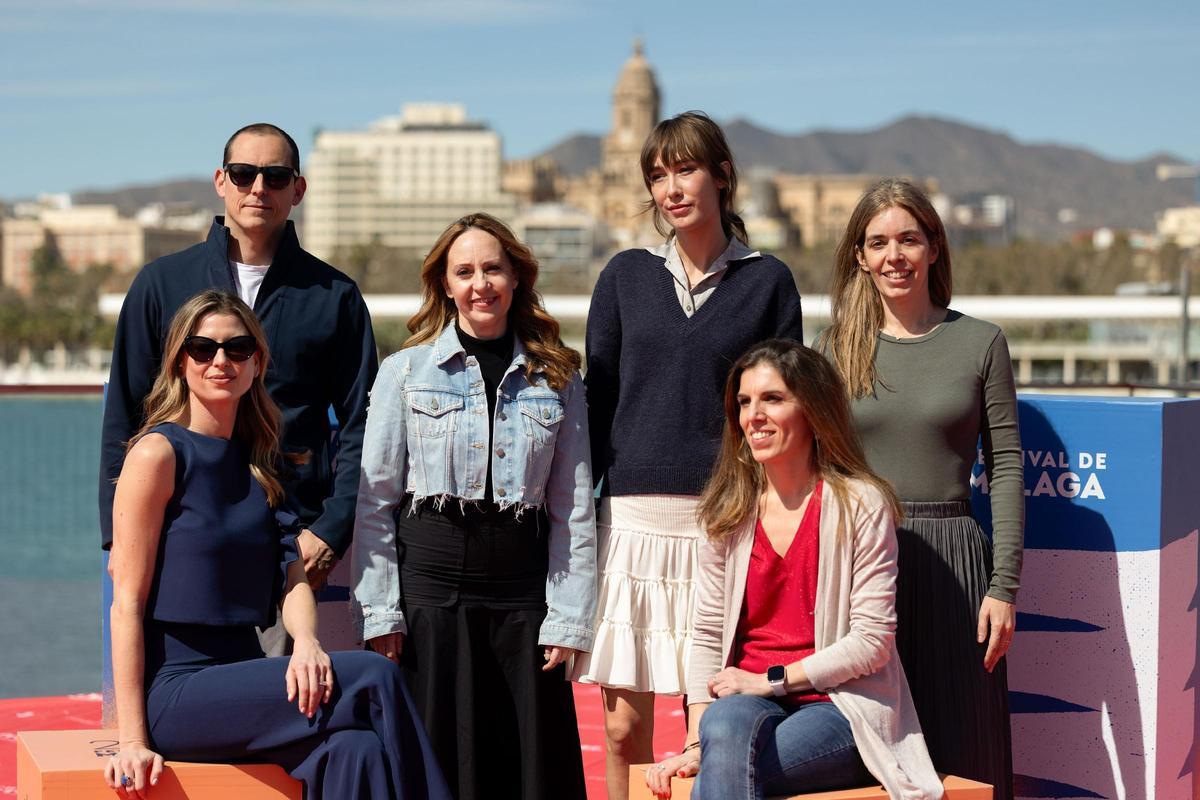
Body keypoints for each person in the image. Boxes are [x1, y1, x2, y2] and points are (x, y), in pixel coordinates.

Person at [105, 290, 449, 800]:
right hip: (177, 691)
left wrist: (308, 643)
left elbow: (293, 581)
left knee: (358, 750)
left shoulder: (259, 467)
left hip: (245, 677)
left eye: (237, 349)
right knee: (375, 675)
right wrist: (132, 739)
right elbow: (126, 604)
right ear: (180, 362)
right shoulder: (158, 453)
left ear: (257, 362)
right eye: (202, 349)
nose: (220, 360)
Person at [570, 110, 804, 799]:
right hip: (629, 524)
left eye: (686, 168)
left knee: (705, 733)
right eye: (659, 174)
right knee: (619, 731)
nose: (672, 187)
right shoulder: (624, 276)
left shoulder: (768, 282)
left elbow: (785, 410)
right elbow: (598, 398)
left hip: (722, 523)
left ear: (723, 175)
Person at [351, 213, 597, 800]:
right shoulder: (403, 373)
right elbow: (374, 503)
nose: (480, 283)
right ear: (444, 284)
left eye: (493, 268)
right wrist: (382, 612)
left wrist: (568, 618)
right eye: (464, 272)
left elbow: (574, 508)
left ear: (516, 278)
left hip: (523, 603)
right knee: (436, 768)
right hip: (431, 601)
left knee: (526, 771)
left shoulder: (558, 377)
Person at [100, 123, 377, 618]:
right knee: (182, 685)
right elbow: (125, 412)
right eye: (244, 173)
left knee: (288, 691)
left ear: (298, 189)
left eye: (274, 177)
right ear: (220, 180)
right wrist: (116, 536)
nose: (258, 189)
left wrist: (332, 529)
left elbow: (365, 422)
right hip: (177, 531)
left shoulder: (335, 297)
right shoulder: (161, 284)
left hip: (290, 540)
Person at [644, 340, 942, 800]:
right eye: (744, 402)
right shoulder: (729, 511)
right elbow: (706, 633)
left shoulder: (861, 503)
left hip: (841, 706)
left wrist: (769, 681)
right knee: (722, 729)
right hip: (740, 706)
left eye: (773, 399)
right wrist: (695, 741)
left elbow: (871, 641)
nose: (753, 416)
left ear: (813, 411)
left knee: (730, 765)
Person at [820, 179, 1023, 798]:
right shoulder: (833, 348)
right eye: (878, 242)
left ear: (934, 246)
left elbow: (1007, 464)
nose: (894, 255)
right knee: (872, 754)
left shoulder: (980, 342)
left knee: (966, 751)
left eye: (909, 238)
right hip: (863, 565)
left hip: (958, 566)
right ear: (860, 256)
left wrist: (1004, 585)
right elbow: (819, 470)